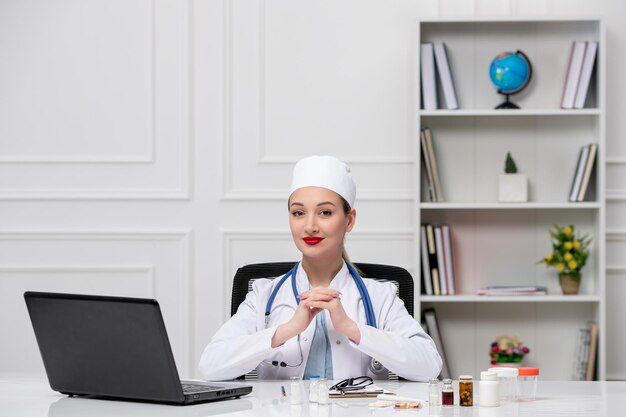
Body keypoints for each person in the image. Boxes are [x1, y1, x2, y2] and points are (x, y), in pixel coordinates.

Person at [199, 156, 442, 381]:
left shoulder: (381, 297)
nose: (310, 226)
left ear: (349, 220)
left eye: (325, 212)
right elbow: (210, 366)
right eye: (298, 213)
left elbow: (430, 366)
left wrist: (352, 329)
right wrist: (286, 330)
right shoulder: (264, 295)